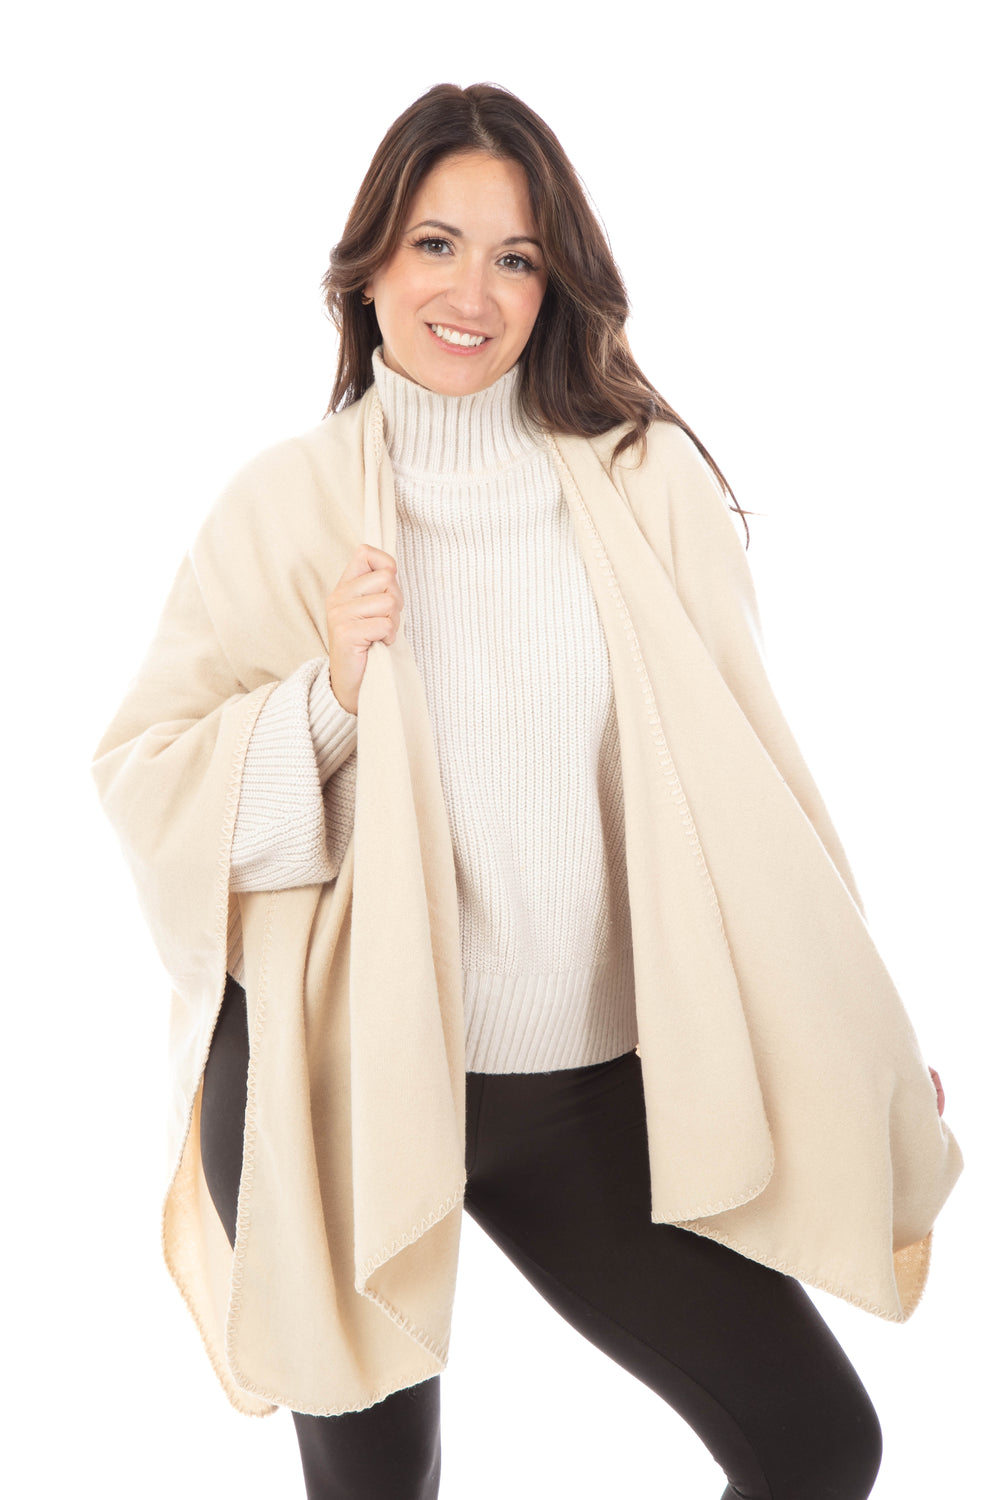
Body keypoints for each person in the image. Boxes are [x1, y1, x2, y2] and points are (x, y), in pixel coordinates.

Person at [92, 82, 962, 1500]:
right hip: (337, 1081)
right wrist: (328, 699)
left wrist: (848, 1026)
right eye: (435, 245)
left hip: (579, 1095)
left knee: (816, 1446)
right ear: (369, 265)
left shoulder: (645, 480)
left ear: (555, 285)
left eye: (516, 257)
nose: (472, 293)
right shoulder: (282, 505)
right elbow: (147, 786)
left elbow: (756, 777)